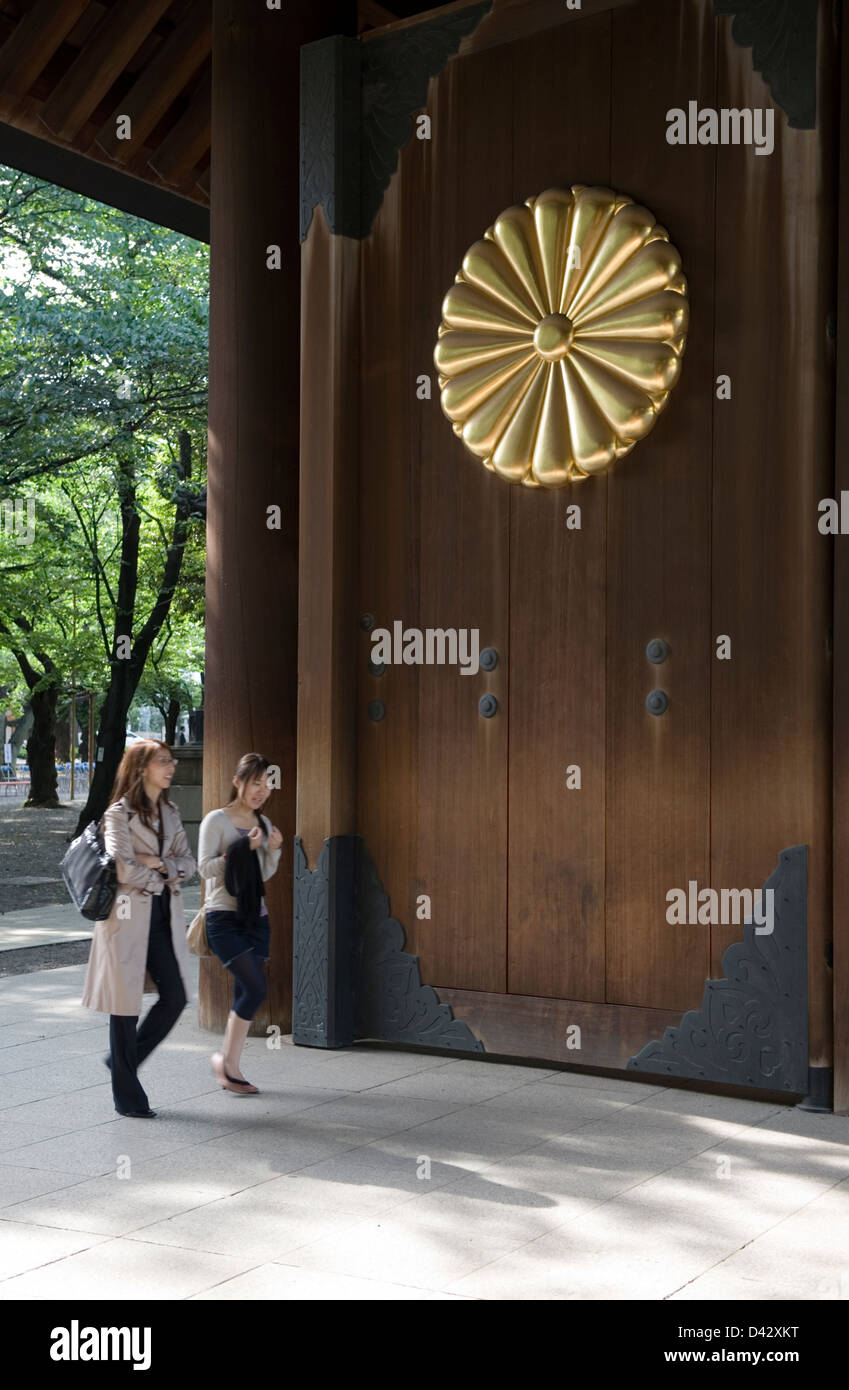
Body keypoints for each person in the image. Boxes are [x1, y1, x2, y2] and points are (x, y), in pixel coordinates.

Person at [81, 740, 196, 1117]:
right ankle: (128, 1097)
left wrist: (159, 864)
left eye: (171, 761)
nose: (171, 767)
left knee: (175, 997)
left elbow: (189, 865)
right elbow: (123, 868)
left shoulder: (171, 812)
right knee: (124, 1005)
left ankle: (121, 1060)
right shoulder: (118, 814)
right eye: (163, 761)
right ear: (141, 767)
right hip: (127, 918)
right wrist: (164, 870)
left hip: (162, 915)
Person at [198, 753, 282, 1094]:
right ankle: (226, 1063)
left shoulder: (263, 824)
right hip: (222, 917)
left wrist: (272, 850)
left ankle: (230, 1067)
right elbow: (203, 869)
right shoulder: (216, 820)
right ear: (238, 782)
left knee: (246, 989)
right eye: (255, 783)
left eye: (267, 784)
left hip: (256, 919)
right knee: (256, 988)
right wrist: (239, 849)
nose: (261, 791)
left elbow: (262, 875)